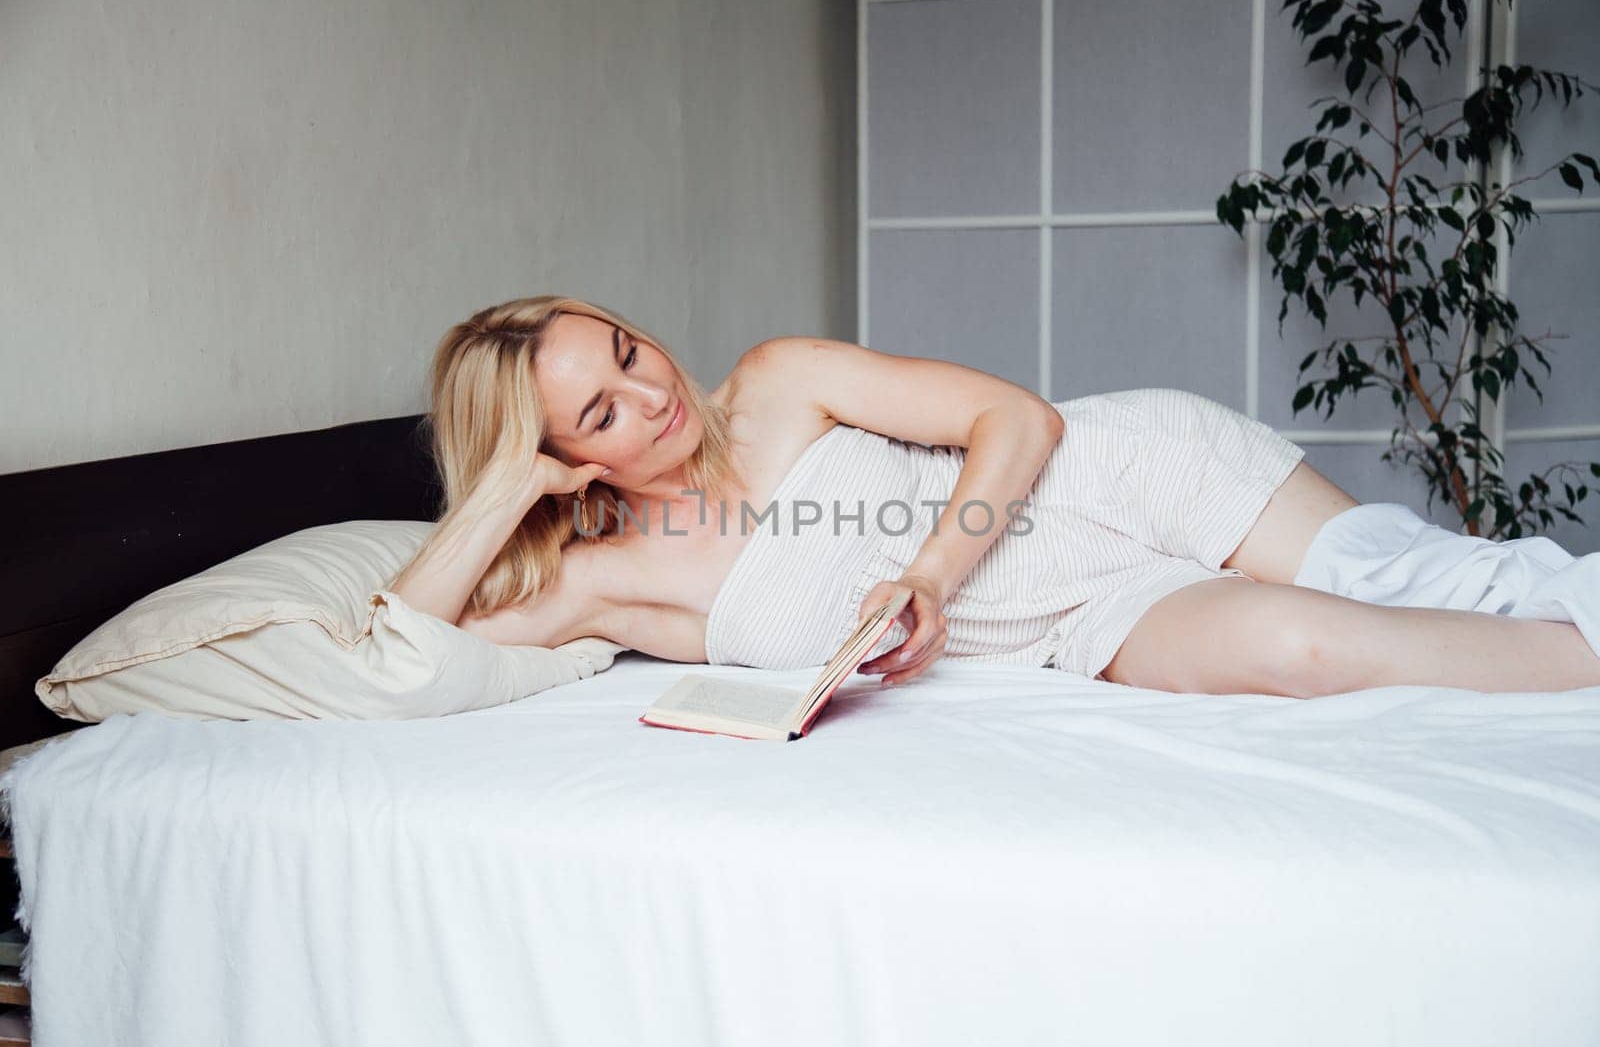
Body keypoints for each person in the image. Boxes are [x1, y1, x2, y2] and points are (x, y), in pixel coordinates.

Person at [391, 294, 1600, 698]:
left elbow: (1020, 418)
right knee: (1296, 649)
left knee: (1398, 571)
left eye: (624, 351)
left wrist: (924, 576)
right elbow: (402, 649)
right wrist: (502, 491)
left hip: (1114, 471)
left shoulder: (771, 383)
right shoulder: (604, 581)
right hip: (1066, 620)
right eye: (598, 411)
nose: (649, 392)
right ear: (560, 460)